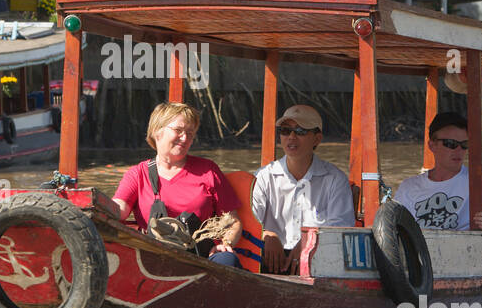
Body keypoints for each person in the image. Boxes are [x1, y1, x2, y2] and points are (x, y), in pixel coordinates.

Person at [112, 102, 243, 267]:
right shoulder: (137, 174)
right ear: (157, 131)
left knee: (227, 259)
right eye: (178, 131)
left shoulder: (208, 170)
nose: (185, 138)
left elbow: (233, 221)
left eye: (190, 133)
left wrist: (226, 244)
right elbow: (117, 210)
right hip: (154, 258)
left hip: (203, 260)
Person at [251, 104, 356, 274]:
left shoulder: (336, 180)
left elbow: (340, 229)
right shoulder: (263, 176)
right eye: (285, 130)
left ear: (317, 138)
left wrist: (310, 243)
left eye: (300, 131)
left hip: (319, 262)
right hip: (269, 260)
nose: (291, 136)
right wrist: (266, 234)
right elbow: (251, 218)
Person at [393, 111, 482, 233]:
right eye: (450, 144)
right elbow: (392, 226)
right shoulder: (408, 187)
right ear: (432, 145)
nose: (459, 150)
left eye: (464, 144)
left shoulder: (481, 181)